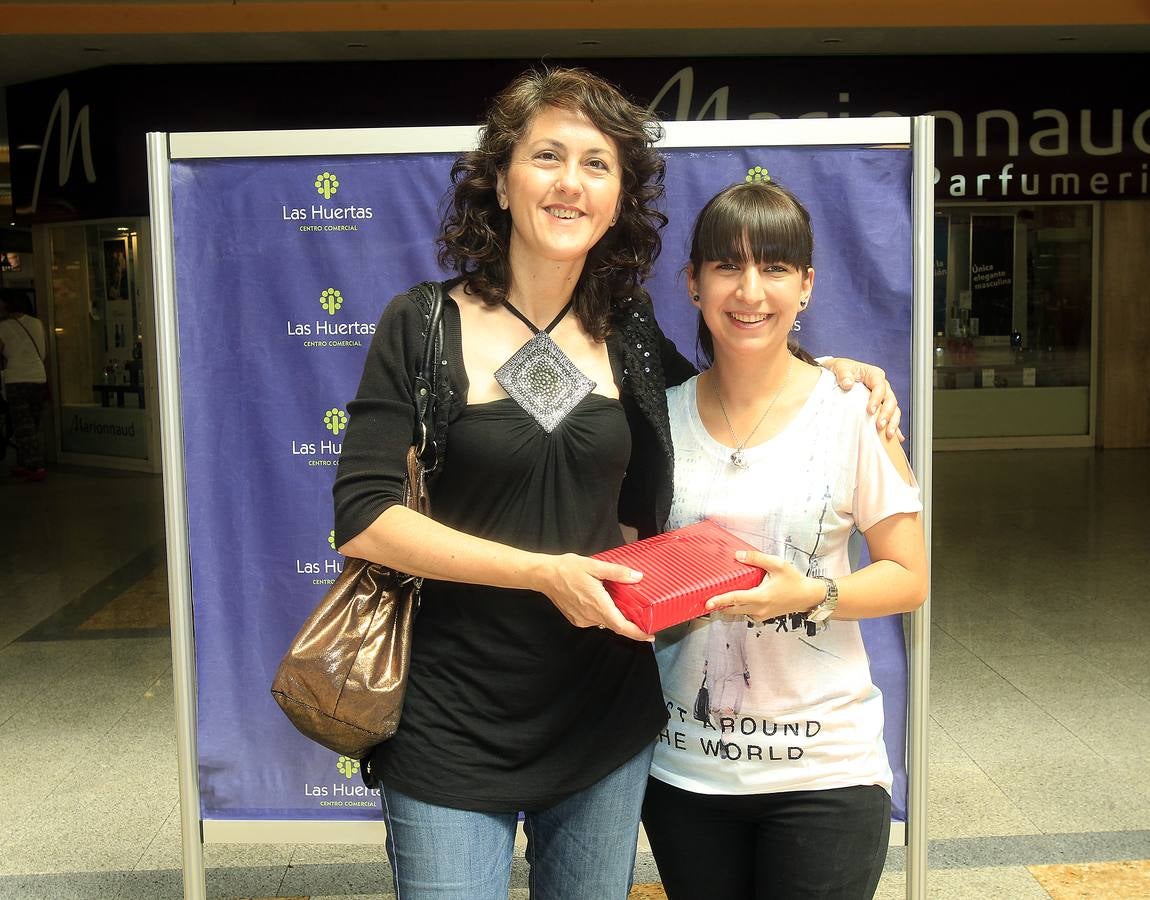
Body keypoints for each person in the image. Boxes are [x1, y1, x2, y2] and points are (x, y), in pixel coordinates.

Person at [333, 68, 902, 900]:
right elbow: (364, 516)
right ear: (501, 181)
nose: (571, 182)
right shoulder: (422, 324)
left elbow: (725, 391)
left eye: (596, 164)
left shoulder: (627, 329)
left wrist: (831, 373)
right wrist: (542, 572)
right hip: (451, 718)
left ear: (616, 202)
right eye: (547, 156)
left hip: (604, 719)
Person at [641, 181, 929, 899]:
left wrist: (812, 595)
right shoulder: (658, 419)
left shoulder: (853, 412)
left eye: (774, 268)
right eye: (727, 267)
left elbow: (909, 575)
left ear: (806, 285)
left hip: (825, 771)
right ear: (694, 283)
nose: (750, 291)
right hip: (687, 771)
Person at [0, 288, 48, 482]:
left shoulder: (3, 327)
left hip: (17, 379)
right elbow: (42, 353)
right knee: (32, 423)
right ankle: (25, 463)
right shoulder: (37, 323)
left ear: (7, 304)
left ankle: (35, 466)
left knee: (22, 425)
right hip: (38, 378)